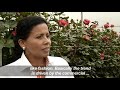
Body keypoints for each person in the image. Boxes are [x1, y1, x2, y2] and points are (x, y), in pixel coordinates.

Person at [0, 16, 74, 78]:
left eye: (47, 36)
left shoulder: (60, 64)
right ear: (22, 43)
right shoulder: (6, 74)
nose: (47, 41)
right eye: (39, 37)